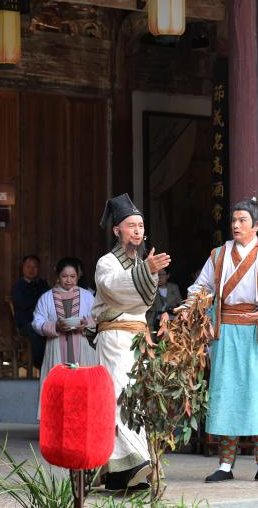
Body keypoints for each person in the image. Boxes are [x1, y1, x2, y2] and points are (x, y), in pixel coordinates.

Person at [181, 198, 258, 484]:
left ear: (257, 225)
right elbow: (201, 286)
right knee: (226, 396)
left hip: (257, 333)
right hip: (226, 333)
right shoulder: (218, 255)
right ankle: (225, 465)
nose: (236, 225)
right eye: (234, 220)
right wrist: (189, 307)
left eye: (242, 220)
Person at [92, 193, 171, 492]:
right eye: (131, 225)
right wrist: (146, 271)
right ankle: (128, 464)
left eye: (141, 226)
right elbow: (114, 289)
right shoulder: (107, 263)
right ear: (117, 230)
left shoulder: (140, 263)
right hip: (114, 338)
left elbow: (145, 301)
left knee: (136, 397)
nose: (137, 231)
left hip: (137, 339)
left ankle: (124, 473)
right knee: (120, 397)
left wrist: (146, 270)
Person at [32, 257, 98, 419]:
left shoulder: (87, 296)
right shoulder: (47, 297)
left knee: (82, 384)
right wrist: (55, 326)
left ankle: (82, 421)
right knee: (58, 385)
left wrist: (87, 323)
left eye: (72, 276)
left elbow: (98, 317)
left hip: (82, 344)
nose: (69, 280)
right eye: (64, 276)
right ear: (58, 276)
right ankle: (56, 422)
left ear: (78, 276)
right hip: (56, 345)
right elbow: (37, 322)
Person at [11, 255, 49, 370]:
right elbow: (23, 303)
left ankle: (56, 364)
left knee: (56, 329)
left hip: (44, 321)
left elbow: (49, 300)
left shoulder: (42, 284)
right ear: (23, 268)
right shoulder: (18, 285)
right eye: (28, 267)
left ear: (39, 269)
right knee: (35, 331)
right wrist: (39, 303)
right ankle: (39, 364)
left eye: (35, 267)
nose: (31, 270)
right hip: (26, 323)